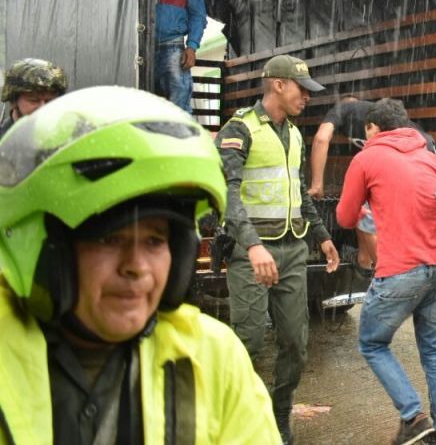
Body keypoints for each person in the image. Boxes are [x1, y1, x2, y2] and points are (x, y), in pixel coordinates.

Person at [0, 86, 278, 443]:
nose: (137, 267)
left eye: (155, 240)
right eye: (110, 239)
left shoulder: (213, 358)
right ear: (49, 251)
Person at [214, 54, 341, 444]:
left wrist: (321, 235)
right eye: (302, 89)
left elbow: (298, 192)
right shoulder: (240, 130)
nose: (307, 97)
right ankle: (235, 419)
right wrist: (251, 246)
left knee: (296, 344)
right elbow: (227, 195)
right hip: (252, 254)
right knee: (248, 341)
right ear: (279, 85)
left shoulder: (296, 134)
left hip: (291, 250)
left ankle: (279, 414)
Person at [337, 98, 436, 445]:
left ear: (373, 128)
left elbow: (345, 218)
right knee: (435, 350)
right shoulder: (433, 159)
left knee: (372, 343)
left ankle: (413, 416)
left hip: (401, 270)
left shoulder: (366, 158)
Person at [0, 57, 67, 139]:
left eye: (49, 101)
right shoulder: (3, 142)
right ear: (13, 101)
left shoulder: (67, 136)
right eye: (34, 100)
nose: (43, 108)